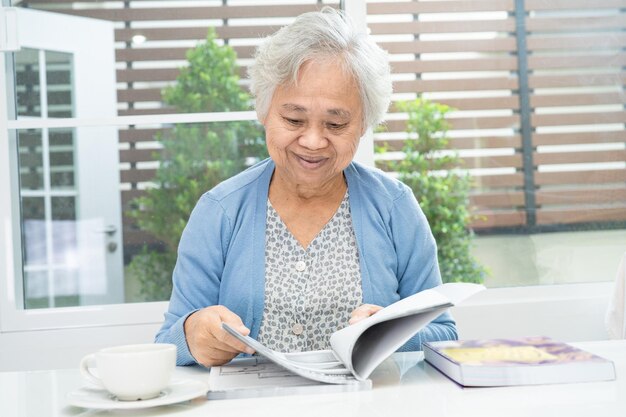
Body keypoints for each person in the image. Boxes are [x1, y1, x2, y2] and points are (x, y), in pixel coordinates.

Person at [155, 7, 457, 367]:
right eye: (294, 119)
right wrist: (194, 334)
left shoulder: (394, 207)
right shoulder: (219, 210)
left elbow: (444, 333)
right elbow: (170, 343)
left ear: (363, 125)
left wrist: (390, 333)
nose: (313, 141)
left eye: (336, 123)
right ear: (264, 112)